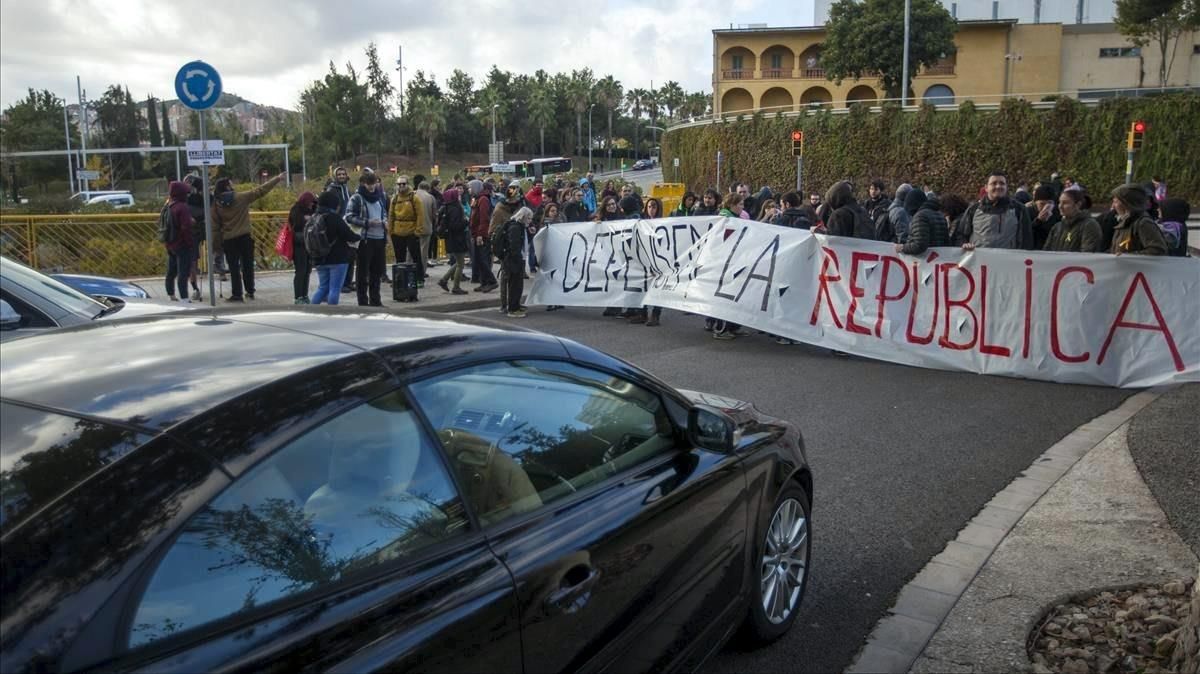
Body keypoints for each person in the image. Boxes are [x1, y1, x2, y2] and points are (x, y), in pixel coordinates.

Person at [211, 173, 283, 302]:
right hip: (244, 236)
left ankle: (236, 294)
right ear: (227, 186)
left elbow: (215, 227)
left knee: (233, 267)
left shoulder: (216, 205)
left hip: (228, 239)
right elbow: (260, 190)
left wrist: (216, 245)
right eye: (231, 183)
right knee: (247, 265)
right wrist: (276, 179)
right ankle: (250, 291)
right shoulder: (241, 197)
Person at [952, 172, 1035, 251]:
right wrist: (964, 244)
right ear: (986, 188)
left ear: (1006, 187)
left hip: (1009, 262)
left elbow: (1026, 240)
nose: (998, 186)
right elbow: (961, 235)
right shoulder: (973, 209)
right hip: (978, 262)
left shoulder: (1019, 209)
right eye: (994, 183)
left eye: (1002, 183)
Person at [309, 191, 360, 305]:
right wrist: (359, 236)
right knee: (334, 289)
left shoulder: (314, 217)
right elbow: (349, 235)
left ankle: (311, 311)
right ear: (333, 204)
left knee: (322, 288)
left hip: (319, 258)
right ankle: (332, 313)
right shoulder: (335, 218)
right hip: (337, 259)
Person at [345, 173, 389, 306]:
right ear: (363, 183)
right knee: (363, 273)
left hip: (379, 238)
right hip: (365, 240)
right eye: (368, 184)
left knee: (377, 271)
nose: (371, 186)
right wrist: (367, 222)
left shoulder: (380, 197)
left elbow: (384, 213)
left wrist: (385, 222)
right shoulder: (357, 198)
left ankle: (376, 300)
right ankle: (363, 302)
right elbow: (349, 216)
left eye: (373, 183)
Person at [491, 181, 526, 311]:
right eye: (515, 195)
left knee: (518, 276)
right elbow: (493, 230)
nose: (518, 199)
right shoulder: (500, 209)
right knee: (506, 277)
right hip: (505, 248)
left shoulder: (520, 207)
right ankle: (504, 304)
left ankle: (515, 301)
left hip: (518, 246)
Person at [1109, 184, 1167, 256]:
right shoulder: (1124, 221)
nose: (1113, 206)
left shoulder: (1143, 223)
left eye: (1116, 202)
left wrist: (1127, 256)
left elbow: (1158, 250)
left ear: (1128, 203)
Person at [388, 176, 425, 287]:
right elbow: (391, 215)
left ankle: (420, 279)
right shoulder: (394, 199)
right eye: (399, 184)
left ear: (407, 184)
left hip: (411, 231)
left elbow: (420, 215)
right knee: (399, 258)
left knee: (416, 257)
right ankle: (399, 279)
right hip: (397, 232)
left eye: (404, 184)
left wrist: (418, 231)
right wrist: (391, 231)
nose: (401, 186)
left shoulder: (414, 198)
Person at [163, 180, 195, 302]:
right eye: (186, 192)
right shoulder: (182, 207)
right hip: (182, 244)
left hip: (170, 243)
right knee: (183, 273)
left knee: (171, 271)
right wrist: (190, 243)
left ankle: (171, 294)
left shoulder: (168, 205)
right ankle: (184, 298)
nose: (187, 195)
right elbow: (185, 227)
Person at [324, 167, 354, 293]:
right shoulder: (332, 189)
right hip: (338, 225)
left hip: (348, 224)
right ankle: (341, 284)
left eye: (343, 174)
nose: (342, 176)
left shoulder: (347, 189)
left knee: (351, 255)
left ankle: (348, 281)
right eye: (339, 174)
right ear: (335, 176)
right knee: (342, 257)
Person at [435, 188, 470, 295]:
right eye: (457, 195)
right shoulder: (455, 208)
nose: (459, 196)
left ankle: (444, 280)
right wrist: (465, 222)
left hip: (450, 238)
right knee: (460, 264)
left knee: (459, 262)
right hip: (457, 238)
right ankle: (456, 287)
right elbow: (455, 226)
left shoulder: (446, 207)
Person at [502, 207, 534, 318]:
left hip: (519, 259)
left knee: (518, 284)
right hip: (514, 260)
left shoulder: (520, 226)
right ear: (523, 217)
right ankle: (512, 309)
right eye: (529, 218)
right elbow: (514, 246)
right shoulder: (515, 227)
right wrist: (518, 259)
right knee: (514, 285)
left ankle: (516, 304)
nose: (530, 221)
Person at [468, 179, 499, 292]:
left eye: (470, 187)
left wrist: (480, 234)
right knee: (478, 259)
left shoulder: (483, 200)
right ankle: (483, 282)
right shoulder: (477, 199)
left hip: (481, 234)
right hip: (476, 233)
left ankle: (492, 281)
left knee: (483, 259)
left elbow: (484, 218)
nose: (469, 190)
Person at [288, 191, 317, 303]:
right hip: (299, 244)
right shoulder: (296, 209)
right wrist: (309, 219)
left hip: (309, 244)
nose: (311, 205)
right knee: (300, 271)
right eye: (310, 202)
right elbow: (297, 223)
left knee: (307, 271)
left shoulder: (312, 210)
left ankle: (305, 295)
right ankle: (298, 296)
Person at [182, 174, 207, 300]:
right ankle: (194, 287)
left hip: (190, 234)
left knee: (190, 262)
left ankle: (193, 288)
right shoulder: (205, 199)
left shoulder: (183, 200)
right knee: (193, 261)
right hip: (198, 232)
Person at [1027, 184, 1060, 250]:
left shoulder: (1058, 213)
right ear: (1035, 202)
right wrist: (1038, 221)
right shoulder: (1028, 212)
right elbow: (1025, 234)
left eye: (1049, 203)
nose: (1045, 207)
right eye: (1042, 204)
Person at [415, 181, 438, 273]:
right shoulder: (430, 197)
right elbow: (434, 215)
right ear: (428, 189)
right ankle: (422, 272)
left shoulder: (412, 196)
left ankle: (411, 270)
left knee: (410, 251)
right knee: (423, 251)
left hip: (413, 228)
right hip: (426, 227)